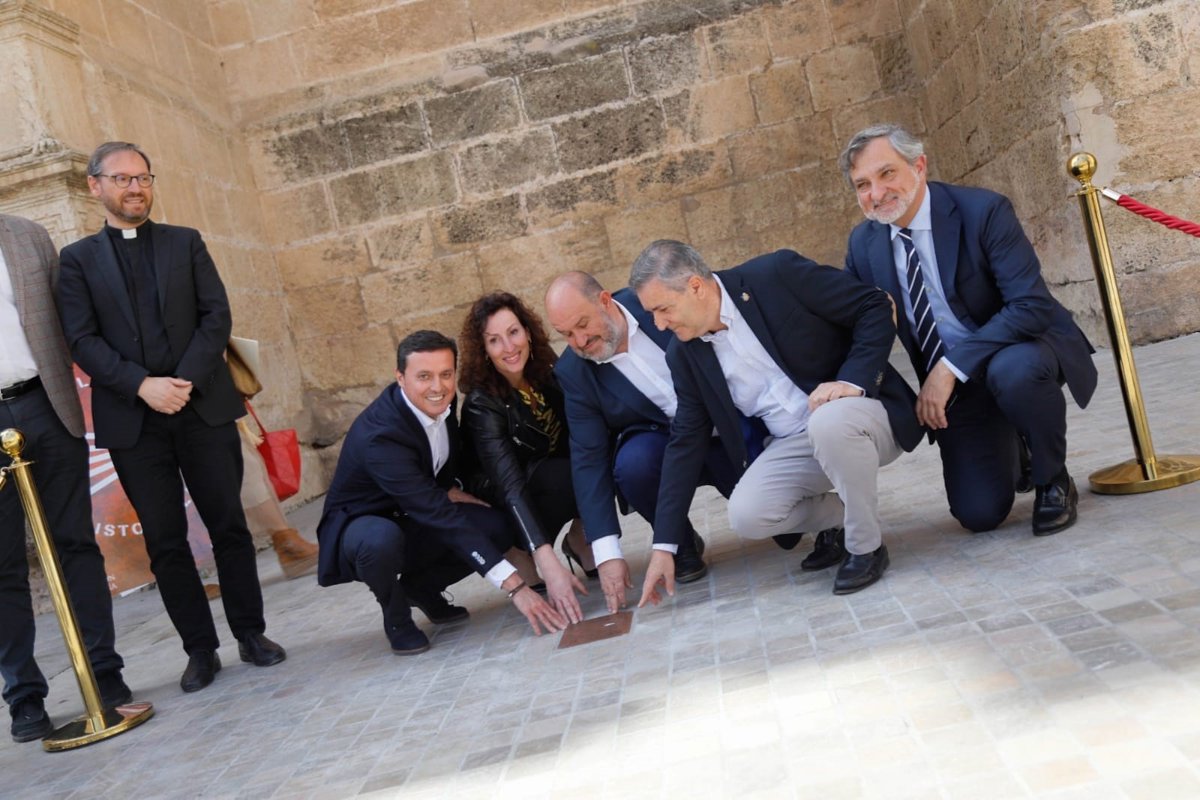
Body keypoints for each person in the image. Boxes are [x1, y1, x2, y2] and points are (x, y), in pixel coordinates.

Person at [56, 142, 285, 695]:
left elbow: (216, 316)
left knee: (229, 525)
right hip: (134, 420)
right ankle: (199, 651)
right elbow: (81, 339)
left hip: (201, 405)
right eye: (122, 179)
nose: (135, 188)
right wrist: (143, 386)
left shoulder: (186, 243)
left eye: (143, 178)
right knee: (164, 541)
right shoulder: (77, 261)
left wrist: (180, 382)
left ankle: (251, 634)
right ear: (95, 186)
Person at [630, 240, 922, 604]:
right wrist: (664, 545)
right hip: (794, 444)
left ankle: (866, 547)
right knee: (747, 515)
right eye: (652, 314)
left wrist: (853, 381)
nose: (659, 324)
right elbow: (686, 441)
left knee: (828, 422)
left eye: (663, 309)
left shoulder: (775, 275)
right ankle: (847, 517)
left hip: (860, 416)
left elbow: (873, 305)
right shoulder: (684, 354)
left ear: (695, 286)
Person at [841, 124, 1097, 535]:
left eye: (887, 173)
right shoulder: (863, 245)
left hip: (1020, 348)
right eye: (862, 184)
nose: (876, 193)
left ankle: (1053, 478)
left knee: (1013, 373)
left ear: (919, 166)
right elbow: (857, 326)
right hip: (961, 388)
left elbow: (1029, 306)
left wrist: (948, 367)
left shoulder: (984, 211)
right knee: (978, 513)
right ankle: (1013, 444)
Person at [545, 272, 846, 613]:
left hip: (728, 429)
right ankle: (680, 544)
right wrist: (606, 553)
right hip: (665, 446)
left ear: (605, 301)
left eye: (583, 324)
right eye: (566, 334)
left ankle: (833, 519)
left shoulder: (660, 304)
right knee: (632, 464)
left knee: (772, 519)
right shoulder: (574, 371)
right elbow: (588, 458)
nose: (579, 341)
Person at [317, 330, 575, 654]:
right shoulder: (381, 435)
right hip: (362, 524)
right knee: (380, 541)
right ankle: (396, 617)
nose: (437, 387)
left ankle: (421, 588)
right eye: (424, 376)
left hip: (413, 508)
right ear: (400, 377)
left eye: (446, 374)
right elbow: (436, 513)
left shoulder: (442, 401)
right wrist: (515, 587)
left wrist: (448, 488)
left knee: (494, 525)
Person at [0, 214, 134, 743]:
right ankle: (24, 697)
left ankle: (103, 670)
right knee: (2, 565)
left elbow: (71, 318)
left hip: (44, 403)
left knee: (74, 543)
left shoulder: (27, 235)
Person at [457, 293, 589, 618]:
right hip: (502, 497)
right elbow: (509, 484)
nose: (509, 347)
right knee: (562, 475)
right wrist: (548, 561)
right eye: (494, 340)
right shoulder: (481, 403)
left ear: (527, 332)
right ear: (484, 350)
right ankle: (520, 551)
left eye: (513, 332)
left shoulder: (544, 370)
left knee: (592, 454)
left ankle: (581, 538)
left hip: (544, 479)